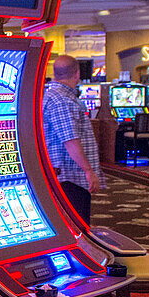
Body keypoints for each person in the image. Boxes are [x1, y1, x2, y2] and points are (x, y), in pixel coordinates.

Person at [43, 55, 104, 223]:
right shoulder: (61, 100)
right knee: (77, 226)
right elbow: (70, 140)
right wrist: (88, 170)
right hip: (69, 177)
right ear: (77, 74)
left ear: (55, 74)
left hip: (69, 175)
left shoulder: (61, 97)